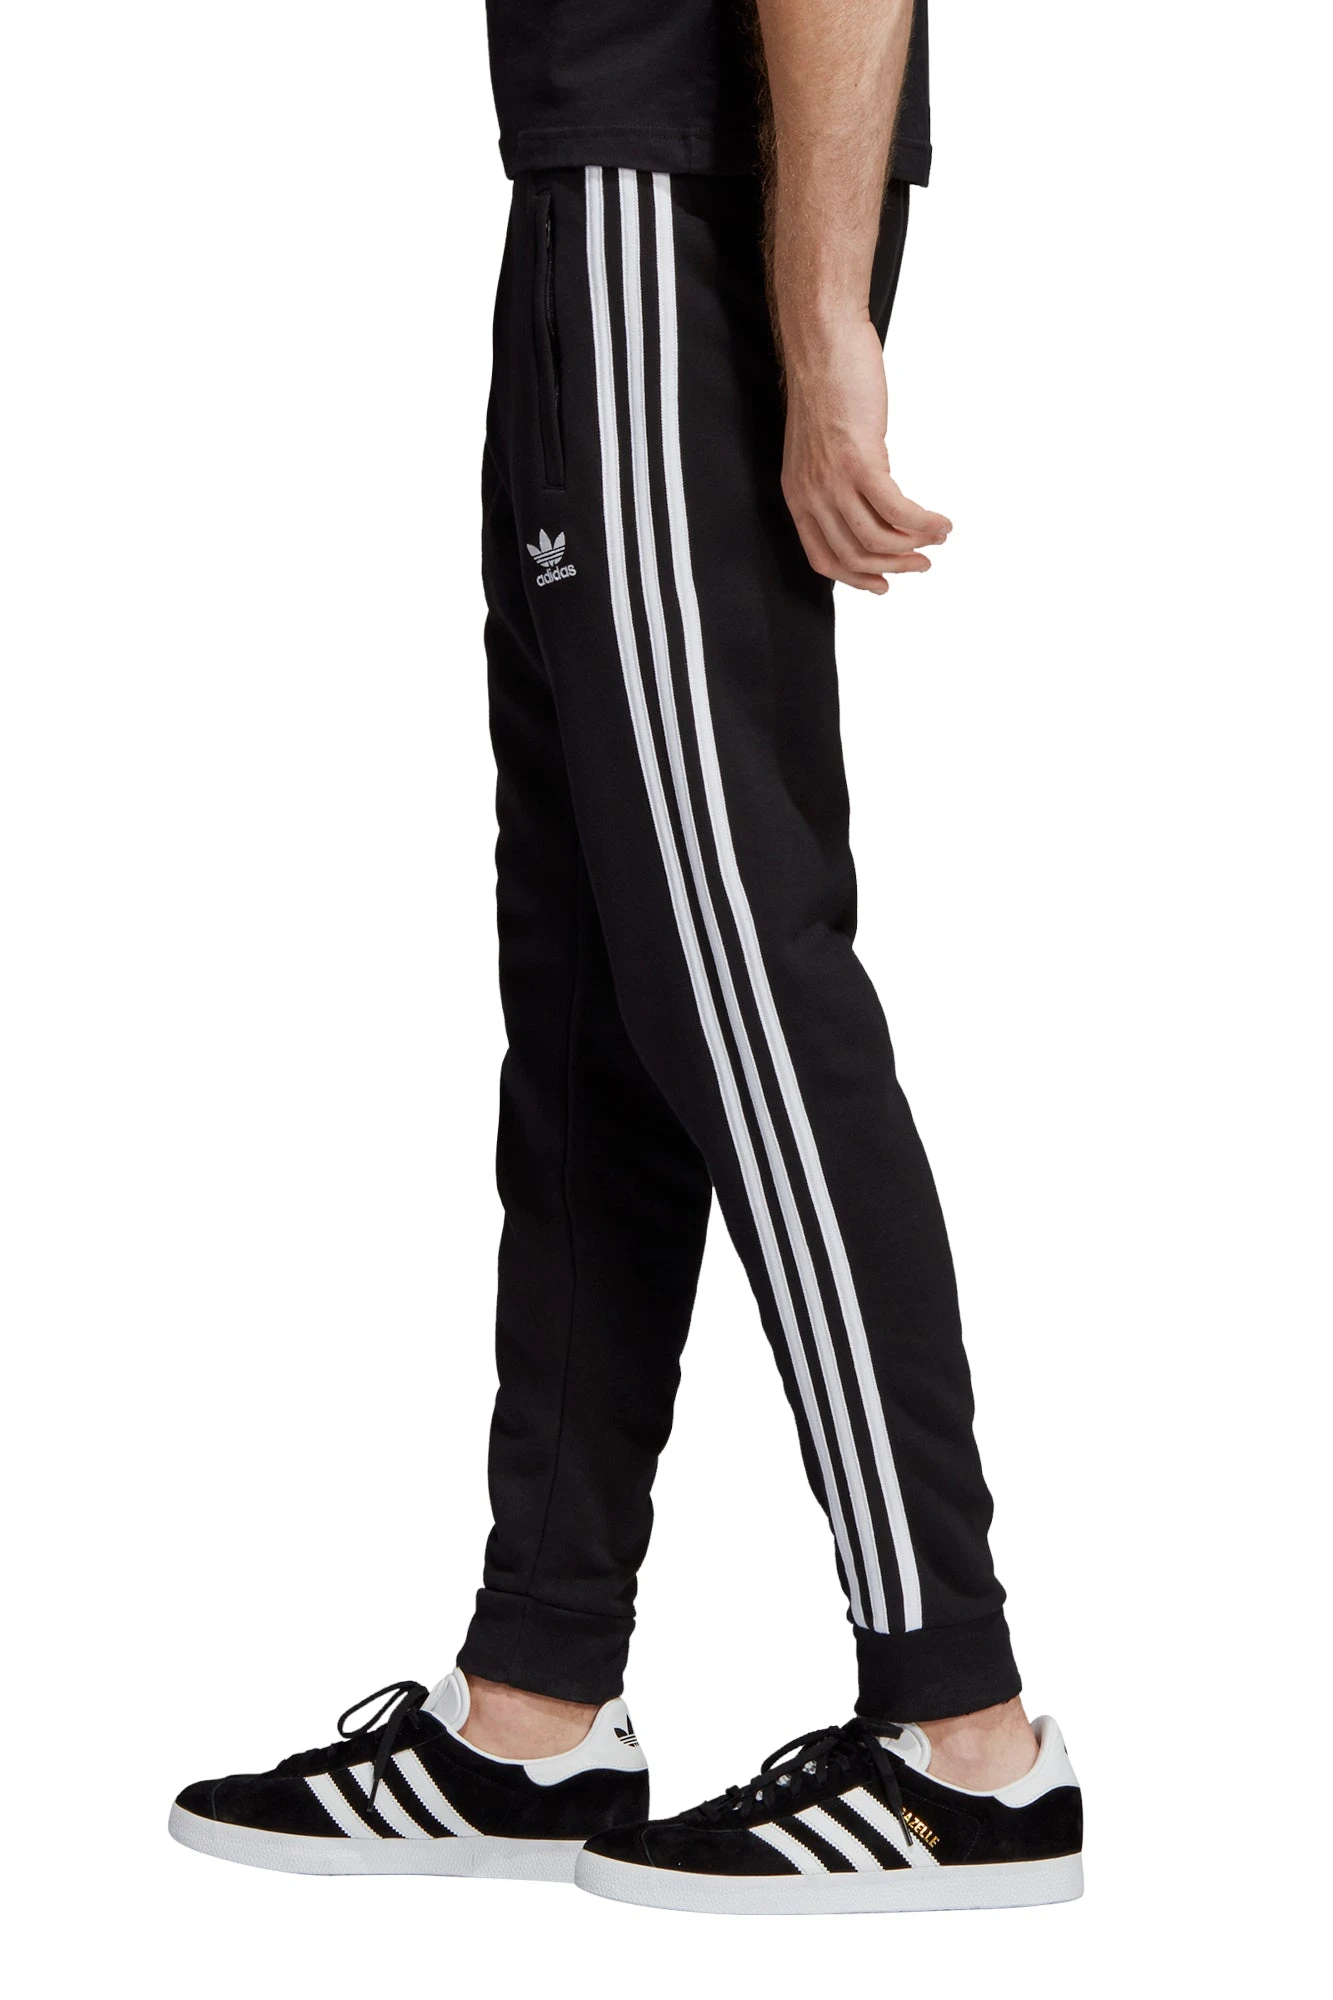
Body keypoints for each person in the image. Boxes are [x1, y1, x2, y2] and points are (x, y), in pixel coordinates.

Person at [170, 0, 1082, 1914]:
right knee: (592, 983)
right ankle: (533, 1705)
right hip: (587, 197)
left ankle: (963, 1734)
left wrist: (821, 325)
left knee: (733, 969)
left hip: (678, 212)